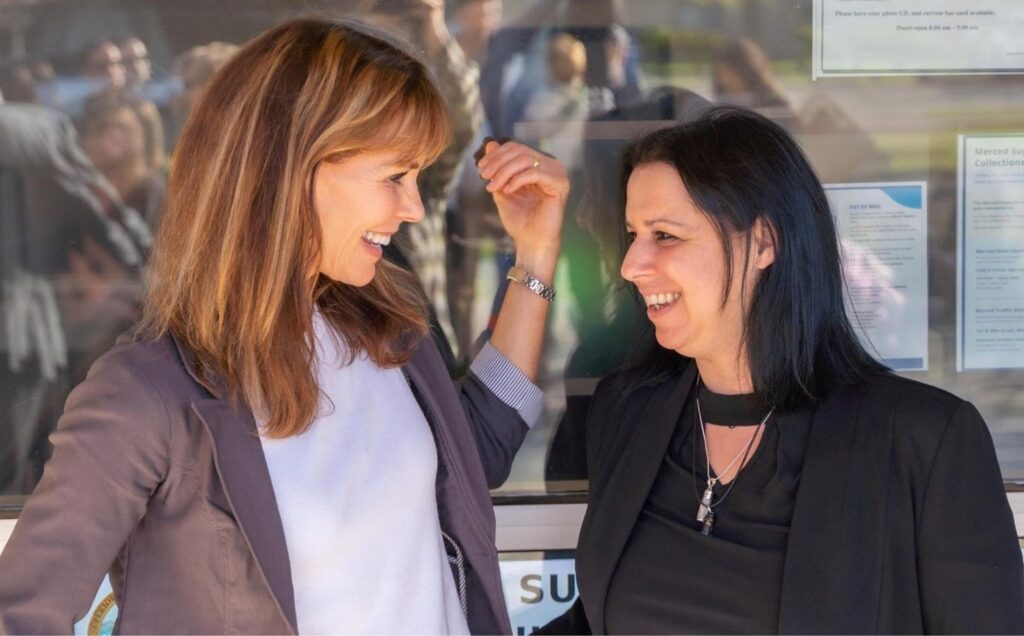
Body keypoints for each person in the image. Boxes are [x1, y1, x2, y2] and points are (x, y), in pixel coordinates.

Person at [0, 17, 568, 635]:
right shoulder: (148, 392)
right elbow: (23, 614)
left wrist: (534, 258)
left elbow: (473, 453)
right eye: (394, 176)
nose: (412, 208)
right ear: (295, 168)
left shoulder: (389, 331)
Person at [543, 107, 1024, 634]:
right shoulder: (626, 411)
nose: (631, 264)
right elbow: (594, 622)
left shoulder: (924, 440)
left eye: (665, 235)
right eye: (633, 233)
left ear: (764, 243)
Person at [79, 86, 167, 228]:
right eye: (87, 131)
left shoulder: (161, 199)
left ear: (138, 132)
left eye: (102, 127)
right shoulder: (84, 199)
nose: (91, 141)